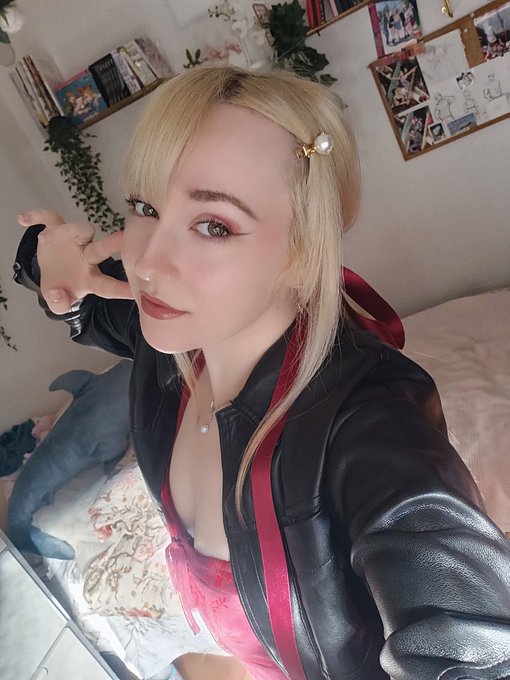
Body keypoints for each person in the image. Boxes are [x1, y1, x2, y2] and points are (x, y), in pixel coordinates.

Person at [14, 64, 510, 680]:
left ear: (302, 251)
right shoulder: (171, 342)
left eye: (213, 225)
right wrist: (46, 263)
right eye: (144, 207)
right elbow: (87, 301)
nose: (147, 264)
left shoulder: (369, 431)